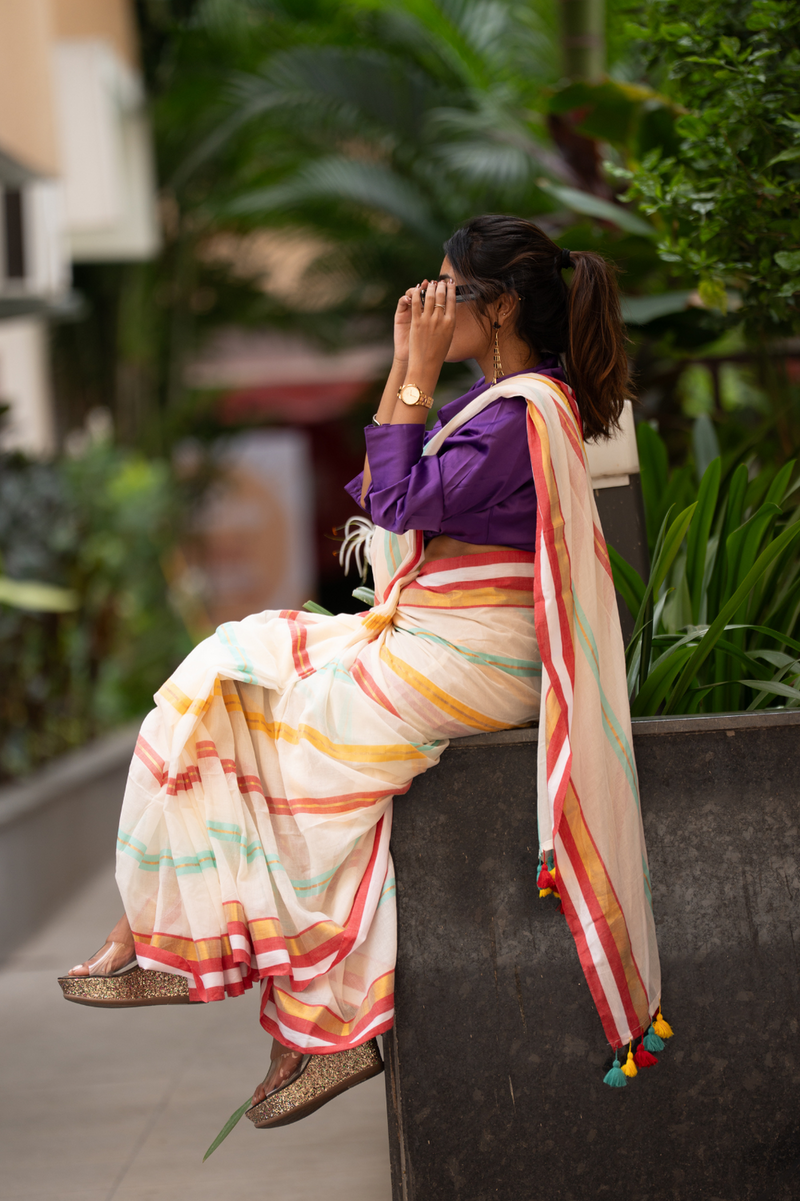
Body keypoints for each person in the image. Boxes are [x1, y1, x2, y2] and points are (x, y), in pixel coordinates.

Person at [59, 215, 662, 1128]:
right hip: (434, 635)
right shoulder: (503, 399)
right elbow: (393, 501)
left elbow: (395, 499)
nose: (424, 303)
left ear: (496, 309)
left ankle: (319, 1016)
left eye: (445, 288)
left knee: (298, 766)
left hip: (472, 650)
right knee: (223, 673)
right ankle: (169, 935)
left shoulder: (522, 409)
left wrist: (413, 370)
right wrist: (405, 363)